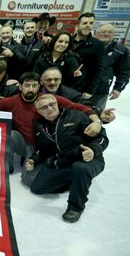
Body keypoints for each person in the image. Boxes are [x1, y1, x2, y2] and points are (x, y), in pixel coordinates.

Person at [0, 72, 103, 173]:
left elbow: (80, 107)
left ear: (39, 86)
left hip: (46, 145)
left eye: (34, 85)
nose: (31, 89)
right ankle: (5, 167)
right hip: (26, 142)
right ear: (20, 87)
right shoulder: (12, 101)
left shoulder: (48, 100)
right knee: (10, 135)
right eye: (27, 85)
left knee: (30, 178)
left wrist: (97, 121)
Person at [23, 94, 108, 223]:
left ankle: (75, 207)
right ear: (39, 111)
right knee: (37, 188)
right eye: (44, 107)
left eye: (52, 104)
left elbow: (102, 137)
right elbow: (42, 149)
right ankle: (75, 180)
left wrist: (93, 150)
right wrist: (34, 159)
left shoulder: (77, 116)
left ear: (57, 104)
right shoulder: (40, 125)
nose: (50, 108)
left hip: (88, 160)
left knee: (80, 168)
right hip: (64, 162)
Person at [72, 12, 107, 109]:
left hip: (83, 88)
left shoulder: (97, 45)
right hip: (68, 85)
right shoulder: (68, 41)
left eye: (91, 23)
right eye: (84, 23)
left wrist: (90, 90)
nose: (88, 26)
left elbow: (99, 69)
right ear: (76, 26)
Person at [94, 23, 130, 101]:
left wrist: (118, 88)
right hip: (79, 90)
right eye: (103, 31)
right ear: (96, 33)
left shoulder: (120, 51)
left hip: (100, 92)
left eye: (110, 32)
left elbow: (124, 71)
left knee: (96, 113)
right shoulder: (86, 45)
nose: (106, 34)